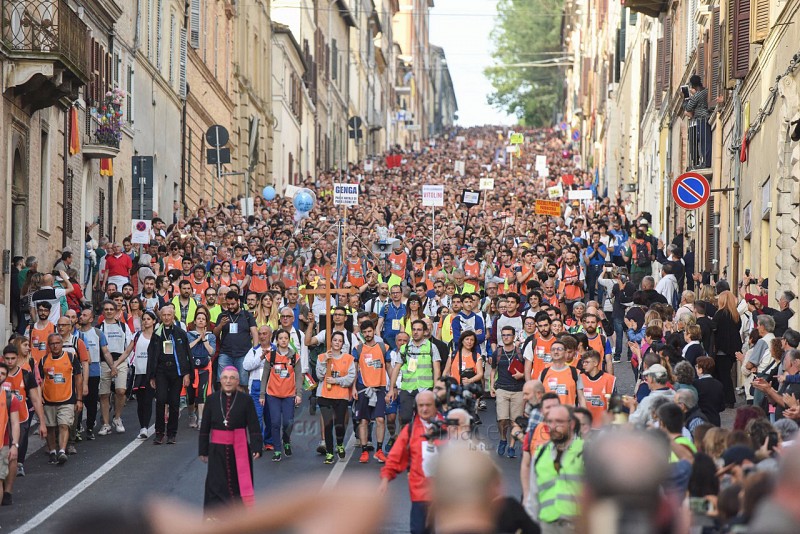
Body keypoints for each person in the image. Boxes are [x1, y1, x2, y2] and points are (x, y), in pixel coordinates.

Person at [199, 366, 262, 513]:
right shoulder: (212, 400)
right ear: (220, 380)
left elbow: (253, 425)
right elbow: (205, 427)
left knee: (238, 485)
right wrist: (203, 450)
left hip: (239, 449)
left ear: (238, 381)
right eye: (225, 378)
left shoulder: (246, 400)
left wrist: (257, 446)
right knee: (215, 484)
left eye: (232, 378)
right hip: (216, 451)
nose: (228, 381)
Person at [379, 390, 444, 534]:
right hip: (420, 494)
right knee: (419, 530)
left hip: (444, 494)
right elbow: (395, 457)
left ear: (436, 406)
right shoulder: (410, 431)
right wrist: (385, 479)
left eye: (428, 405)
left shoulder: (447, 429)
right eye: (421, 405)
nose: (424, 409)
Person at [526, 404, 583, 532]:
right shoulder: (540, 453)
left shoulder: (587, 452)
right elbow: (533, 496)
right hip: (547, 525)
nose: (553, 426)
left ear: (572, 424)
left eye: (559, 421)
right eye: (550, 421)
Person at [147, 304, 193, 444]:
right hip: (161, 371)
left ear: (173, 316)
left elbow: (186, 355)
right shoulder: (157, 334)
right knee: (160, 400)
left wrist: (187, 374)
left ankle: (172, 433)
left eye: (169, 315)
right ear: (160, 317)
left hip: (176, 372)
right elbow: (152, 355)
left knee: (174, 402)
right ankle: (159, 432)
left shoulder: (180, 333)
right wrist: (152, 376)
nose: (166, 318)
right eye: (164, 315)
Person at [258, 329, 302, 462]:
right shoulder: (270, 356)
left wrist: (298, 394)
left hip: (289, 395)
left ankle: (286, 440)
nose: (283, 340)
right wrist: (262, 395)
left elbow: (299, 377)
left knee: (288, 422)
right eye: (280, 338)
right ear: (276, 340)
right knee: (275, 422)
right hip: (273, 395)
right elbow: (264, 376)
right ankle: (277, 449)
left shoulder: (295, 356)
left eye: (285, 338)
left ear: (289, 340)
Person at [388, 319, 442, 425]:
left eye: (419, 330)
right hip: (407, 388)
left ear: (425, 332)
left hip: (425, 388)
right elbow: (396, 368)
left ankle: (421, 440)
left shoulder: (431, 347)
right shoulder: (404, 348)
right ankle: (407, 440)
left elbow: (437, 369)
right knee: (405, 418)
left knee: (424, 419)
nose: (416, 332)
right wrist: (391, 388)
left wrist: (436, 388)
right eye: (414, 329)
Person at [39, 333, 82, 465]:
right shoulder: (43, 360)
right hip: (49, 399)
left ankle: (62, 451)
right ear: (49, 345)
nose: (55, 345)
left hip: (67, 398)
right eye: (52, 343)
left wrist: (79, 399)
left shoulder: (71, 357)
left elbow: (78, 378)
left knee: (64, 425)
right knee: (51, 427)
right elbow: (40, 381)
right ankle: (53, 451)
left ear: (62, 343)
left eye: (57, 343)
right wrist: (39, 398)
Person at [352, 320, 391, 463]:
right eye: (365, 332)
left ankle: (379, 450)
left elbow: (389, 367)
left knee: (381, 419)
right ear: (361, 333)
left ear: (374, 331)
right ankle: (364, 451)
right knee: (364, 420)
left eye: (369, 331)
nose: (367, 334)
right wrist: (354, 388)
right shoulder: (358, 348)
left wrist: (392, 387)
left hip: (379, 387)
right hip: (363, 388)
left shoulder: (383, 347)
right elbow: (354, 370)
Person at [316, 331, 356, 463]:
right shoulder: (322, 356)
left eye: (340, 341)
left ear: (343, 344)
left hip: (341, 395)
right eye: (335, 340)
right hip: (325, 395)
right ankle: (329, 452)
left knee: (339, 423)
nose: (337, 343)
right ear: (331, 342)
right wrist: (324, 362)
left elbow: (350, 378)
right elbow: (320, 376)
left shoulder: (348, 358)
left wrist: (336, 381)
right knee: (328, 424)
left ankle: (339, 443)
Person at [97, 299, 133, 435]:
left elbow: (129, 347)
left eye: (111, 309)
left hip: (121, 361)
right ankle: (106, 423)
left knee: (120, 391)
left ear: (116, 311)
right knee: (104, 394)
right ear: (103, 312)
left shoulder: (123, 327)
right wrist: (111, 366)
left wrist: (116, 365)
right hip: (104, 362)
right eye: (106, 309)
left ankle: (117, 418)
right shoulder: (99, 328)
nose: (109, 312)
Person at [490, 325, 526, 458]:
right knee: (502, 420)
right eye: (503, 335)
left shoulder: (520, 352)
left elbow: (527, 371)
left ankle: (511, 446)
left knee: (515, 422)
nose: (506, 337)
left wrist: (522, 375)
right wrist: (491, 386)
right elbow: (493, 370)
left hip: (518, 390)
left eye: (508, 335)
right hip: (502, 389)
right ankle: (503, 439)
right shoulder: (497, 353)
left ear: (513, 336)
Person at [214, 291, 258, 388]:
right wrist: (221, 325)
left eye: (233, 304)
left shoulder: (247, 315)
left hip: (243, 355)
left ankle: (240, 402)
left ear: (238, 301)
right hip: (225, 354)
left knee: (242, 384)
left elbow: (254, 333)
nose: (230, 307)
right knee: (223, 382)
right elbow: (215, 334)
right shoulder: (222, 316)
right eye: (228, 304)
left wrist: (255, 351)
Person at [186, 310, 217, 429]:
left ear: (206, 322)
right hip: (191, 368)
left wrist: (204, 340)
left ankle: (201, 419)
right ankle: (191, 415)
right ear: (195, 321)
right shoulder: (189, 335)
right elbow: (187, 348)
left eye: (203, 319)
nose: (200, 320)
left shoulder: (211, 336)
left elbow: (212, 352)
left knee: (202, 395)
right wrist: (198, 339)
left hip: (204, 368)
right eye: (198, 318)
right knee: (191, 395)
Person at [539, 339, 586, 408]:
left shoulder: (575, 373)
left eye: (559, 349)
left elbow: (581, 398)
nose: (556, 352)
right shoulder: (543, 373)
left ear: (565, 352)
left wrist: (584, 415)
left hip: (569, 415)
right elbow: (538, 397)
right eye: (553, 349)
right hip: (549, 415)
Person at [0, 363, 21, 506]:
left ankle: (7, 492)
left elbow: (15, 423)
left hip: (3, 443)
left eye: (2, 373)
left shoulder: (10, 398)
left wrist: (14, 445)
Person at [580, 350, 617, 427]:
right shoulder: (580, 379)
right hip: (585, 427)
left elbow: (615, 405)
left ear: (595, 363)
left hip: (604, 427)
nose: (584, 365)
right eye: (583, 362)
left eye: (587, 362)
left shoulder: (610, 379)